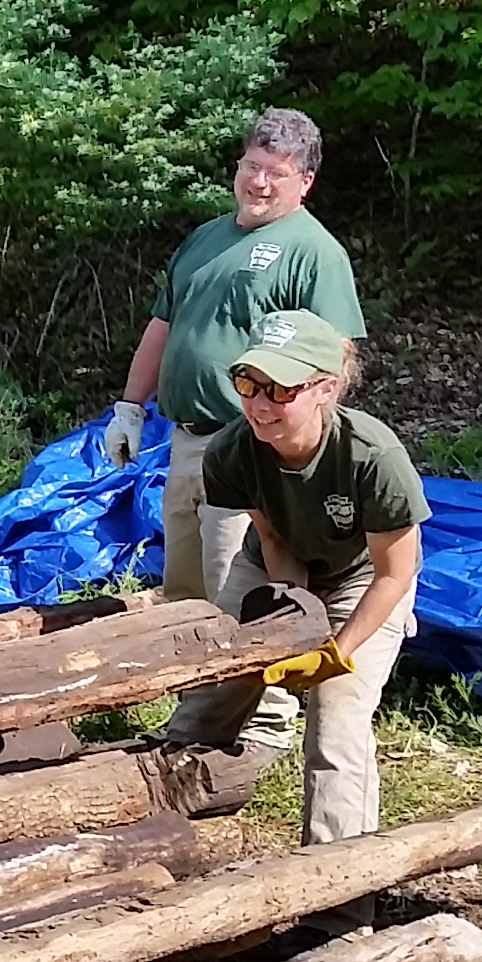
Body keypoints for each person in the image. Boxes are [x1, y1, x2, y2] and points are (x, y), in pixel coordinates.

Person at [100, 107, 364, 786]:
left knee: (241, 591)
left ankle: (264, 722)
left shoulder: (313, 251)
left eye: (276, 174)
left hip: (249, 440)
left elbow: (334, 354)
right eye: (251, 167)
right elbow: (166, 325)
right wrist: (131, 405)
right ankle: (198, 715)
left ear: (304, 182)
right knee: (185, 588)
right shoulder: (205, 239)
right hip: (186, 441)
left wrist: (299, 441)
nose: (259, 183)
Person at [163, 309, 426, 843]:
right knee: (214, 689)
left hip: (364, 579)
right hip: (273, 564)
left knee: (336, 718)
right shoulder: (231, 452)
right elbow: (273, 540)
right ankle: (154, 821)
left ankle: (339, 891)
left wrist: (335, 650)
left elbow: (394, 575)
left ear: (325, 389)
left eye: (280, 390)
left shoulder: (372, 457)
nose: (260, 405)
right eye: (248, 384)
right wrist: (292, 619)